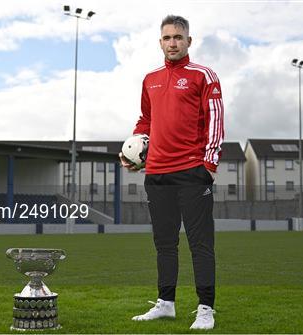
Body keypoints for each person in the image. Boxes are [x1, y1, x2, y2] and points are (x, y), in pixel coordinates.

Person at [120, 15, 224, 330]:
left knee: (200, 244)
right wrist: (132, 149)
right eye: (167, 38)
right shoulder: (149, 78)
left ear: (188, 41)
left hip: (192, 171)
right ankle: (166, 303)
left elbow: (215, 119)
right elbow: (145, 120)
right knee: (164, 243)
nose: (172, 43)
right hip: (157, 174)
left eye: (178, 37)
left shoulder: (203, 75)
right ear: (160, 42)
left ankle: (205, 308)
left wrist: (209, 165)